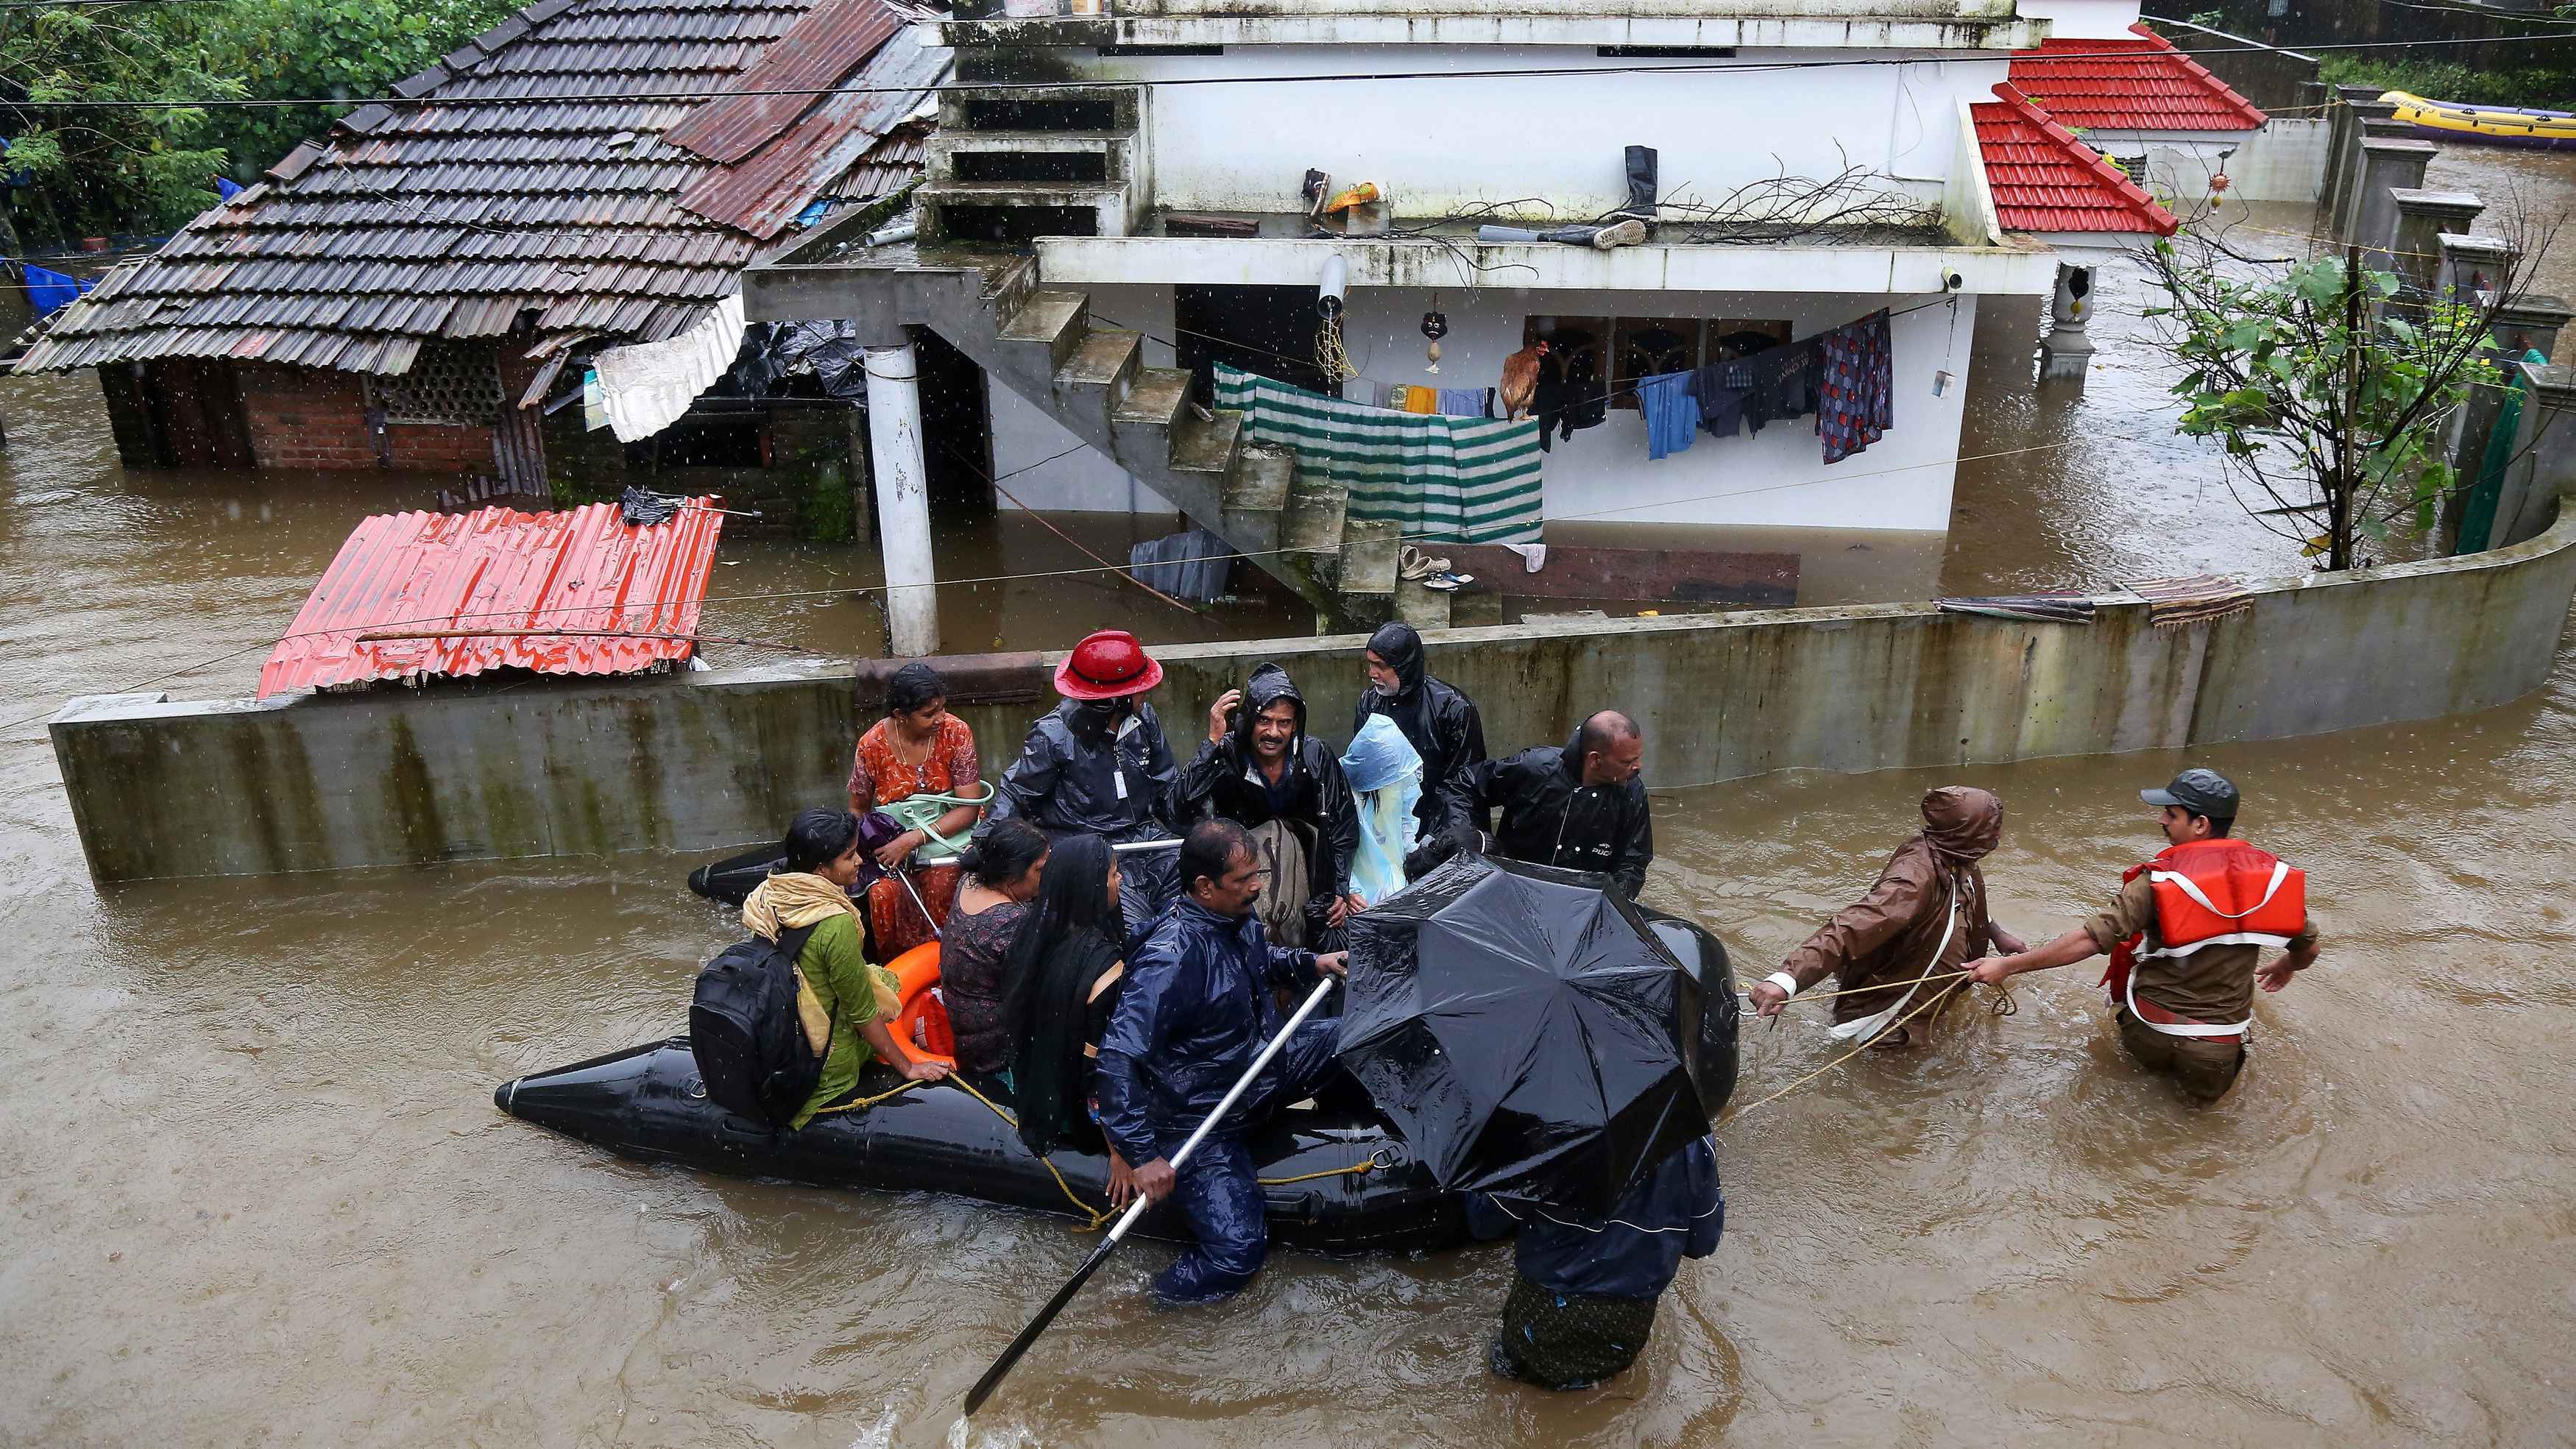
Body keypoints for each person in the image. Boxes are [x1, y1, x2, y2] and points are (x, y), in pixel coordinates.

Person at [1095, 819, 1349, 1304]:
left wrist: (1307, 963)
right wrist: (1143, 1154)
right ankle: (1149, 1303)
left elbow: (1260, 957)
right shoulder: (1171, 957)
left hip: (1262, 1065)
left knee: (1349, 1036)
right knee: (1237, 1251)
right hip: (1204, 1114)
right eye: (1245, 879)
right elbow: (1117, 1055)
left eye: (1258, 874)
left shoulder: (1238, 916)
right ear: (1205, 888)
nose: (1257, 887)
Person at [1972, 769, 2321, 1102]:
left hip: (2149, 1031)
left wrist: (2008, 966)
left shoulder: (2159, 883)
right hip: (2215, 1047)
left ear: (2200, 825)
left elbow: (2088, 941)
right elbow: (2309, 949)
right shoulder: (2271, 883)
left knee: (2129, 1094)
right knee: (2197, 1128)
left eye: (2172, 814)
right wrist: (2288, 965)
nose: (2162, 821)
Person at [1747, 787, 2026, 1049]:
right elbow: (1851, 927)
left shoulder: (1956, 854)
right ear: (1967, 832)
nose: (1998, 837)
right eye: (1992, 828)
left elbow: (1959, 899)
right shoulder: (1912, 881)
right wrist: (1786, 980)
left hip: (1930, 1000)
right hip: (1892, 1017)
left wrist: (1995, 933)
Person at [740, 808, 949, 1130]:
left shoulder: (770, 894)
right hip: (825, 1067)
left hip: (783, 1036)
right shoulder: (836, 924)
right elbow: (862, 1013)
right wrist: (909, 1068)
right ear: (822, 869)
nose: (860, 862)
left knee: (881, 979)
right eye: (849, 856)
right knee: (890, 990)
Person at [1466, 1133, 1723, 1391]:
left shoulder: (1550, 1131)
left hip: (1541, 1319)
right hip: (1627, 1328)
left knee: (1509, 1376)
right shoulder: (1693, 1140)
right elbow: (1703, 1242)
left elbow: (1484, 1222)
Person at [991, 628, 1182, 939]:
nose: (1146, 694)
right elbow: (1016, 792)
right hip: (1088, 849)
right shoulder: (1053, 735)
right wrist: (989, 846)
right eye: (1139, 689)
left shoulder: (1144, 718)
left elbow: (1167, 785)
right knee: (1137, 933)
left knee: (1199, 891)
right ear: (1115, 701)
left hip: (1145, 838)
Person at [1175, 661, 1364, 949]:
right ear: (1249, 720)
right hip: (1243, 865)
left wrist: (1338, 889)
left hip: (1304, 863)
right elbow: (1178, 810)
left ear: (1295, 725)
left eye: (1284, 723)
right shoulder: (1226, 754)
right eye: (1264, 720)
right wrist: (1211, 743)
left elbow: (1343, 827)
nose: (1273, 732)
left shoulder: (1315, 756)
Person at [1002, 834, 1131, 1188]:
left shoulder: (1032, 940)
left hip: (1038, 1092)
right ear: (1089, 887)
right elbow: (1099, 1069)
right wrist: (1119, 1151)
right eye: (1113, 874)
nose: (1120, 881)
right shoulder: (1107, 969)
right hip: (1079, 1113)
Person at [1434, 709, 1654, 898]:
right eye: (1628, 762)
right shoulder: (1536, 768)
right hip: (1512, 887)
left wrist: (1611, 899)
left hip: (1580, 901)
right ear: (1595, 760)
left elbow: (1633, 862)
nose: (1638, 767)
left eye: (1638, 758)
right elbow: (1467, 784)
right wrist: (1467, 835)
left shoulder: (1631, 792)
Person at [846, 662, 985, 960]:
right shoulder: (871, 745)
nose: (941, 718)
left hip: (949, 835)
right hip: (892, 843)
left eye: (942, 708)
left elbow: (969, 809)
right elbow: (857, 811)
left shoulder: (956, 733)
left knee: (943, 881)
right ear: (900, 716)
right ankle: (901, 968)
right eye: (929, 714)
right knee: (882, 895)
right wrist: (860, 853)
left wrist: (913, 839)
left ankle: (951, 961)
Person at [1352, 620, 1487, 849]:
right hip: (1390, 822)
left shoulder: (1453, 708)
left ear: (1404, 667)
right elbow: (1363, 772)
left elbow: (1464, 783)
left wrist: (1439, 837)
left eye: (1381, 666)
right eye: (1370, 664)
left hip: (1442, 823)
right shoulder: (1369, 703)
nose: (1371, 673)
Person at [939, 818, 1050, 1080]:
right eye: (1040, 870)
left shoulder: (969, 880)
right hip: (995, 1052)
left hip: (965, 1035)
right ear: (1012, 876)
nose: (1047, 877)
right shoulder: (1010, 921)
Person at [1340, 715, 1425, 907]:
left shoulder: (1400, 781)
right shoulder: (1344, 794)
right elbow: (1338, 845)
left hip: (1397, 877)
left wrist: (1413, 857)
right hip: (1360, 889)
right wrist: (1349, 888)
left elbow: (1405, 822)